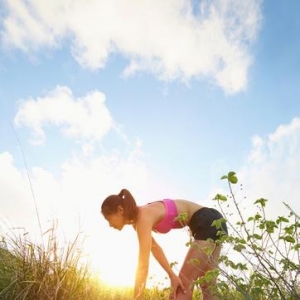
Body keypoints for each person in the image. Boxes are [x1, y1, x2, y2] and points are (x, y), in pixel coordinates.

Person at [101, 189, 228, 300]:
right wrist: (171, 274)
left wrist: (137, 298)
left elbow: (143, 265)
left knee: (182, 288)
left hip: (205, 221)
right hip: (214, 220)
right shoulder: (140, 220)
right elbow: (155, 249)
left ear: (120, 210)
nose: (110, 225)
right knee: (208, 286)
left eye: (108, 219)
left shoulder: (142, 218)